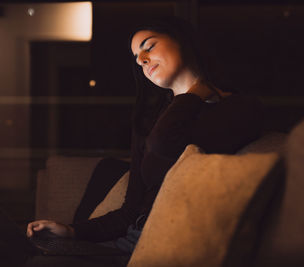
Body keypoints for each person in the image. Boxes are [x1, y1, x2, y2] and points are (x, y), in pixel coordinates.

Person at [26, 17, 263, 263]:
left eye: (149, 47)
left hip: (168, 244)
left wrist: (193, 94)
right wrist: (72, 231)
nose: (141, 60)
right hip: (131, 240)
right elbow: (129, 212)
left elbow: (164, 143)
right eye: (137, 57)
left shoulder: (237, 108)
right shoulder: (150, 120)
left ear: (182, 41)